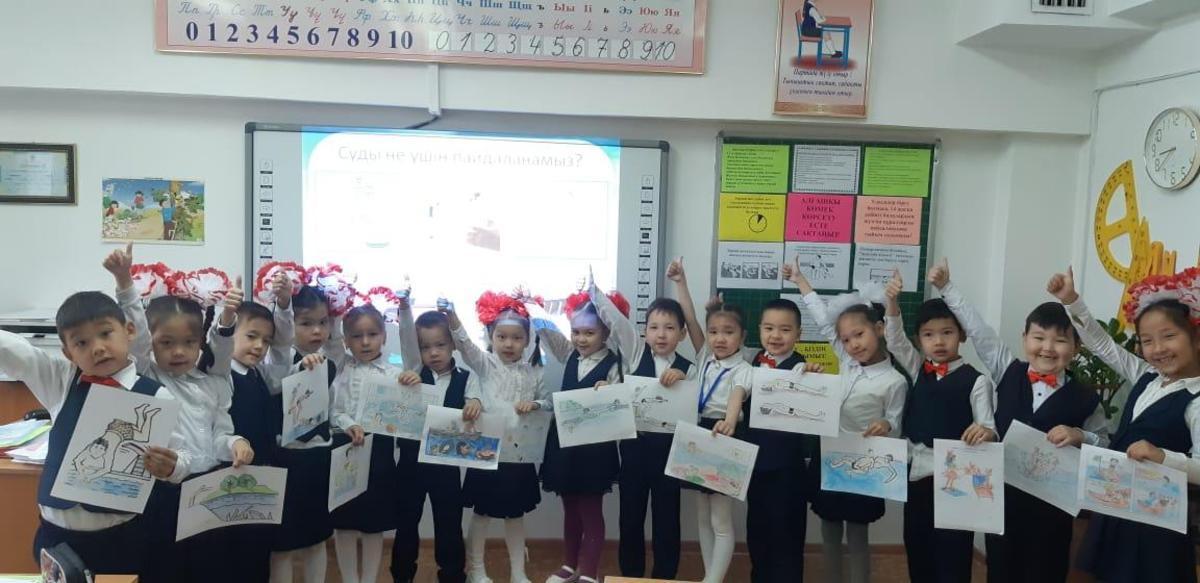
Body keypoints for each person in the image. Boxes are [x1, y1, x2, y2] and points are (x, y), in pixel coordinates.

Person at [926, 258, 1107, 583]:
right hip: (1002, 504)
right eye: (1039, 338)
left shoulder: (1086, 397)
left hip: (1052, 513)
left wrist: (1080, 435)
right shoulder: (1007, 371)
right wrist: (946, 287)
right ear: (1024, 338)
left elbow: (1105, 445)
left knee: (1046, 572)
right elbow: (978, 329)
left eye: (1060, 340)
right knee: (1001, 570)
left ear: (1076, 347)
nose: (1047, 348)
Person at [0, 277, 179, 576]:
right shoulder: (61, 381)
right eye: (81, 343)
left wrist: (173, 466)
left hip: (118, 539)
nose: (97, 348)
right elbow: (19, 353)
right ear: (68, 353)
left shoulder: (156, 396)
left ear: (129, 331)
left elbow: (182, 456)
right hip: (55, 537)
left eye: (105, 333)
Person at [105, 245, 254, 582]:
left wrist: (236, 443)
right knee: (165, 569)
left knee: (209, 568)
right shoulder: (146, 375)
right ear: (151, 344)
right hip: (164, 495)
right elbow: (137, 334)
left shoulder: (213, 383)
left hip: (209, 489)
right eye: (166, 342)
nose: (178, 351)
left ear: (200, 341)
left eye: (189, 342)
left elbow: (219, 436)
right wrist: (125, 281)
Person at [1049, 266, 1200, 583]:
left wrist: (1162, 457)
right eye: (1147, 341)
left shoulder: (1196, 400)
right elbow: (1104, 346)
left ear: (1196, 337)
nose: (1158, 349)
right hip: (1118, 506)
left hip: (1158, 523)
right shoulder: (1147, 376)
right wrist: (1071, 300)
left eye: (1169, 336)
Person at [788, 260, 907, 583]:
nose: (853, 344)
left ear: (879, 329)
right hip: (830, 457)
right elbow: (822, 319)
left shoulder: (894, 381)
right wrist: (800, 281)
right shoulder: (846, 360)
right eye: (846, 339)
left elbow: (895, 422)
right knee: (828, 529)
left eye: (859, 334)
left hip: (864, 464)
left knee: (856, 534)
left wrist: (886, 425)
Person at [883, 269, 997, 583]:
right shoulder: (918, 368)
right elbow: (894, 339)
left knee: (954, 552)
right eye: (929, 335)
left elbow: (988, 426)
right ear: (919, 340)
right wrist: (891, 302)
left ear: (962, 335)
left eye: (947, 332)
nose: (938, 341)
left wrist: (986, 432)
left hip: (956, 479)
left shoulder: (977, 381)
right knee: (917, 545)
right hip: (917, 474)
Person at [586, 268, 693, 581]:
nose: (661, 334)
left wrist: (684, 379)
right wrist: (594, 292)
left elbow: (697, 406)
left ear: (682, 334)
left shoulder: (690, 368)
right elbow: (618, 323)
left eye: (669, 328)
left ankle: (664, 575)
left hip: (671, 455)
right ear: (644, 332)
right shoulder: (635, 356)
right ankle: (631, 574)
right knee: (630, 517)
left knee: (667, 519)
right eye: (654, 327)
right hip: (635, 451)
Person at [444, 291, 550, 583]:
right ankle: (476, 570)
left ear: (527, 340)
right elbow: (464, 345)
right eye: (501, 337)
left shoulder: (534, 372)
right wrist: (451, 315)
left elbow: (547, 403)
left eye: (516, 338)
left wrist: (535, 404)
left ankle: (518, 571)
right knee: (482, 514)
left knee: (515, 515)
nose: (508, 343)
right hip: (487, 451)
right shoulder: (484, 365)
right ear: (491, 336)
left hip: (519, 454)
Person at [535, 285, 627, 583]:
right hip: (565, 445)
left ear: (606, 332)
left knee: (590, 510)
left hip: (594, 451)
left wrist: (611, 390)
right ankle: (569, 564)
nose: (581, 339)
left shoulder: (615, 364)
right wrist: (533, 306)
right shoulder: (570, 354)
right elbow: (548, 332)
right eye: (576, 332)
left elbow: (622, 401)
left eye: (589, 333)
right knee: (570, 509)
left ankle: (588, 570)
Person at [668, 259, 752, 583]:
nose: (719, 338)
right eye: (714, 332)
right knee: (702, 515)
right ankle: (709, 576)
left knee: (721, 519)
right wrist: (681, 282)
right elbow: (690, 319)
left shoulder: (743, 368)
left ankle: (713, 580)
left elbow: (737, 394)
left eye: (728, 332)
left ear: (742, 336)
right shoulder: (705, 357)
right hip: (698, 430)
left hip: (724, 433)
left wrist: (729, 421)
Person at [394, 307, 482, 583]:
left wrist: (474, 403)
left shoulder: (467, 377)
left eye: (440, 345)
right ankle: (402, 575)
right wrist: (404, 307)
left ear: (453, 344)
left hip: (446, 464)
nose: (433, 353)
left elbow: (475, 401)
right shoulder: (413, 372)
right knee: (406, 521)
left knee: (449, 522)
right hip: (410, 463)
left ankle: (453, 575)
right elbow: (405, 335)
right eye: (425, 347)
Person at [321, 302, 403, 583]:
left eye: (372, 334)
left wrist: (411, 383)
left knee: (373, 525)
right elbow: (334, 411)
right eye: (356, 336)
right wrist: (349, 424)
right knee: (344, 524)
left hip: (379, 453)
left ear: (384, 336)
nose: (365, 342)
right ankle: (349, 579)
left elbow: (405, 411)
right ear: (345, 340)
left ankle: (368, 579)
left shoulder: (394, 373)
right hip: (345, 446)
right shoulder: (340, 366)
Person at [741, 295, 814, 583]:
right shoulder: (751, 361)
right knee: (757, 533)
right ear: (759, 329)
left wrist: (813, 377)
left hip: (788, 470)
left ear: (798, 334)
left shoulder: (801, 369)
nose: (775, 335)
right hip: (755, 466)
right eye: (769, 328)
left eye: (785, 329)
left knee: (787, 536)